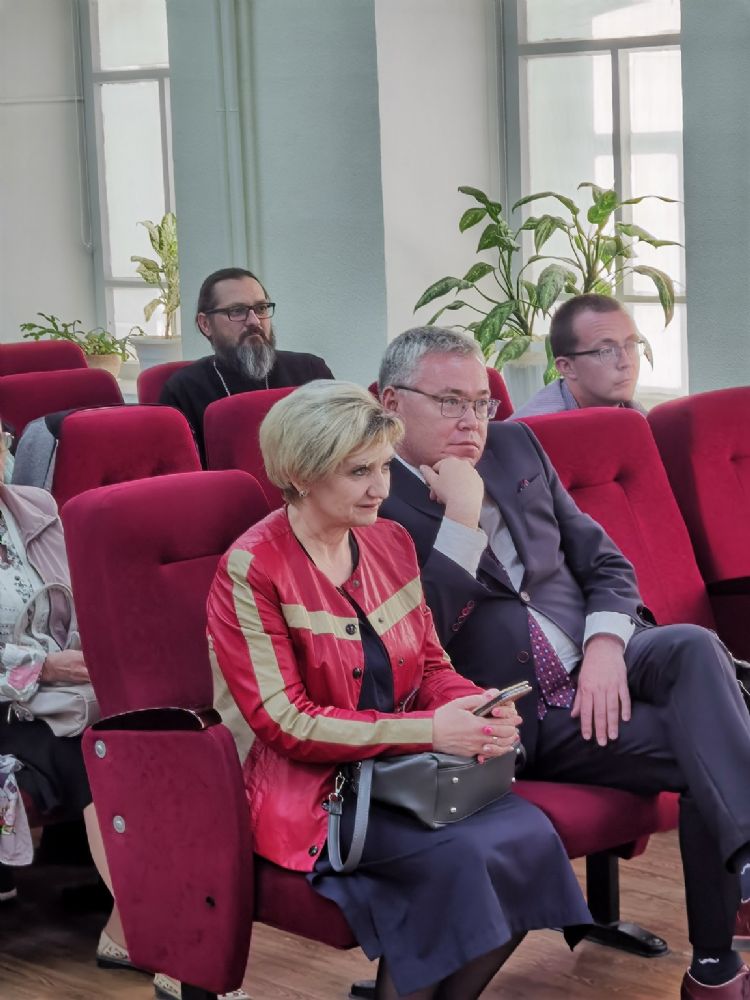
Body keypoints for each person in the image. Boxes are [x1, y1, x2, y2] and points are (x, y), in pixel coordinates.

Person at [377, 326, 750, 1000]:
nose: (471, 420)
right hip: (525, 716)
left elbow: (606, 563)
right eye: (450, 402)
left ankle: (747, 870)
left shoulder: (517, 445)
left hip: (603, 664)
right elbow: (412, 636)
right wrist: (461, 518)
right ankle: (716, 971)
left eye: (481, 402)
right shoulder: (370, 495)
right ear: (391, 403)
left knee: (694, 645)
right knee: (712, 752)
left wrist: (606, 647)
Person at [206, 380, 591, 1000]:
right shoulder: (253, 568)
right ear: (301, 475)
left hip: (410, 774)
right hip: (320, 795)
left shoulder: (390, 541)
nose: (380, 488)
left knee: (528, 840)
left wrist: (473, 705)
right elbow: (286, 722)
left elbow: (432, 664)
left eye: (384, 467)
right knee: (458, 862)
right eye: (359, 471)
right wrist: (432, 731)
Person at [0, 422, 127, 967]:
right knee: (89, 751)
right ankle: (136, 925)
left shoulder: (33, 506)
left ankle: (165, 908)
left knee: (144, 729)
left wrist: (86, 653)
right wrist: (43, 666)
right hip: (12, 704)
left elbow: (79, 601)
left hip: (58, 695)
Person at [159, 267, 333, 463]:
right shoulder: (182, 391)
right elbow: (182, 473)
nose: (254, 321)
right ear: (205, 324)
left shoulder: (311, 372)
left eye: (261, 308)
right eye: (237, 311)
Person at [510, 294, 647, 419]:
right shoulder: (531, 431)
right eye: (606, 351)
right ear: (567, 367)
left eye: (630, 345)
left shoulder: (638, 415)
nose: (626, 362)